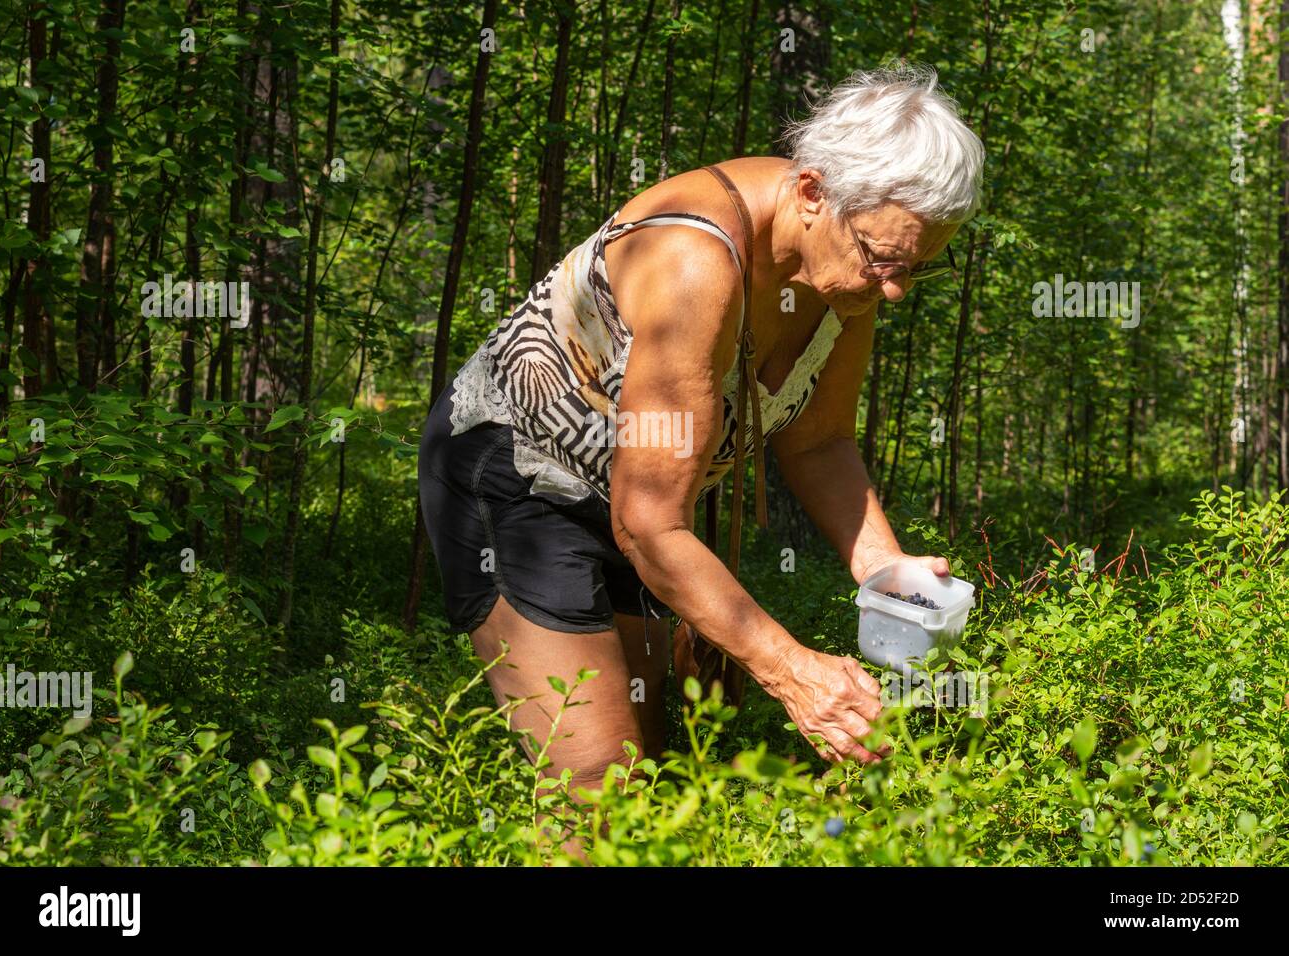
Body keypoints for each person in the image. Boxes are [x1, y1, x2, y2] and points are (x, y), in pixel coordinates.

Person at [418, 64, 985, 801]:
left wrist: (886, 568)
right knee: (595, 775)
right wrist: (789, 669)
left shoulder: (847, 274)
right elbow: (649, 524)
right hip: (521, 478)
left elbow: (818, 442)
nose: (895, 291)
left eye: (916, 269)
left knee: (650, 752)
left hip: (642, 502)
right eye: (884, 260)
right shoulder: (694, 261)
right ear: (813, 192)